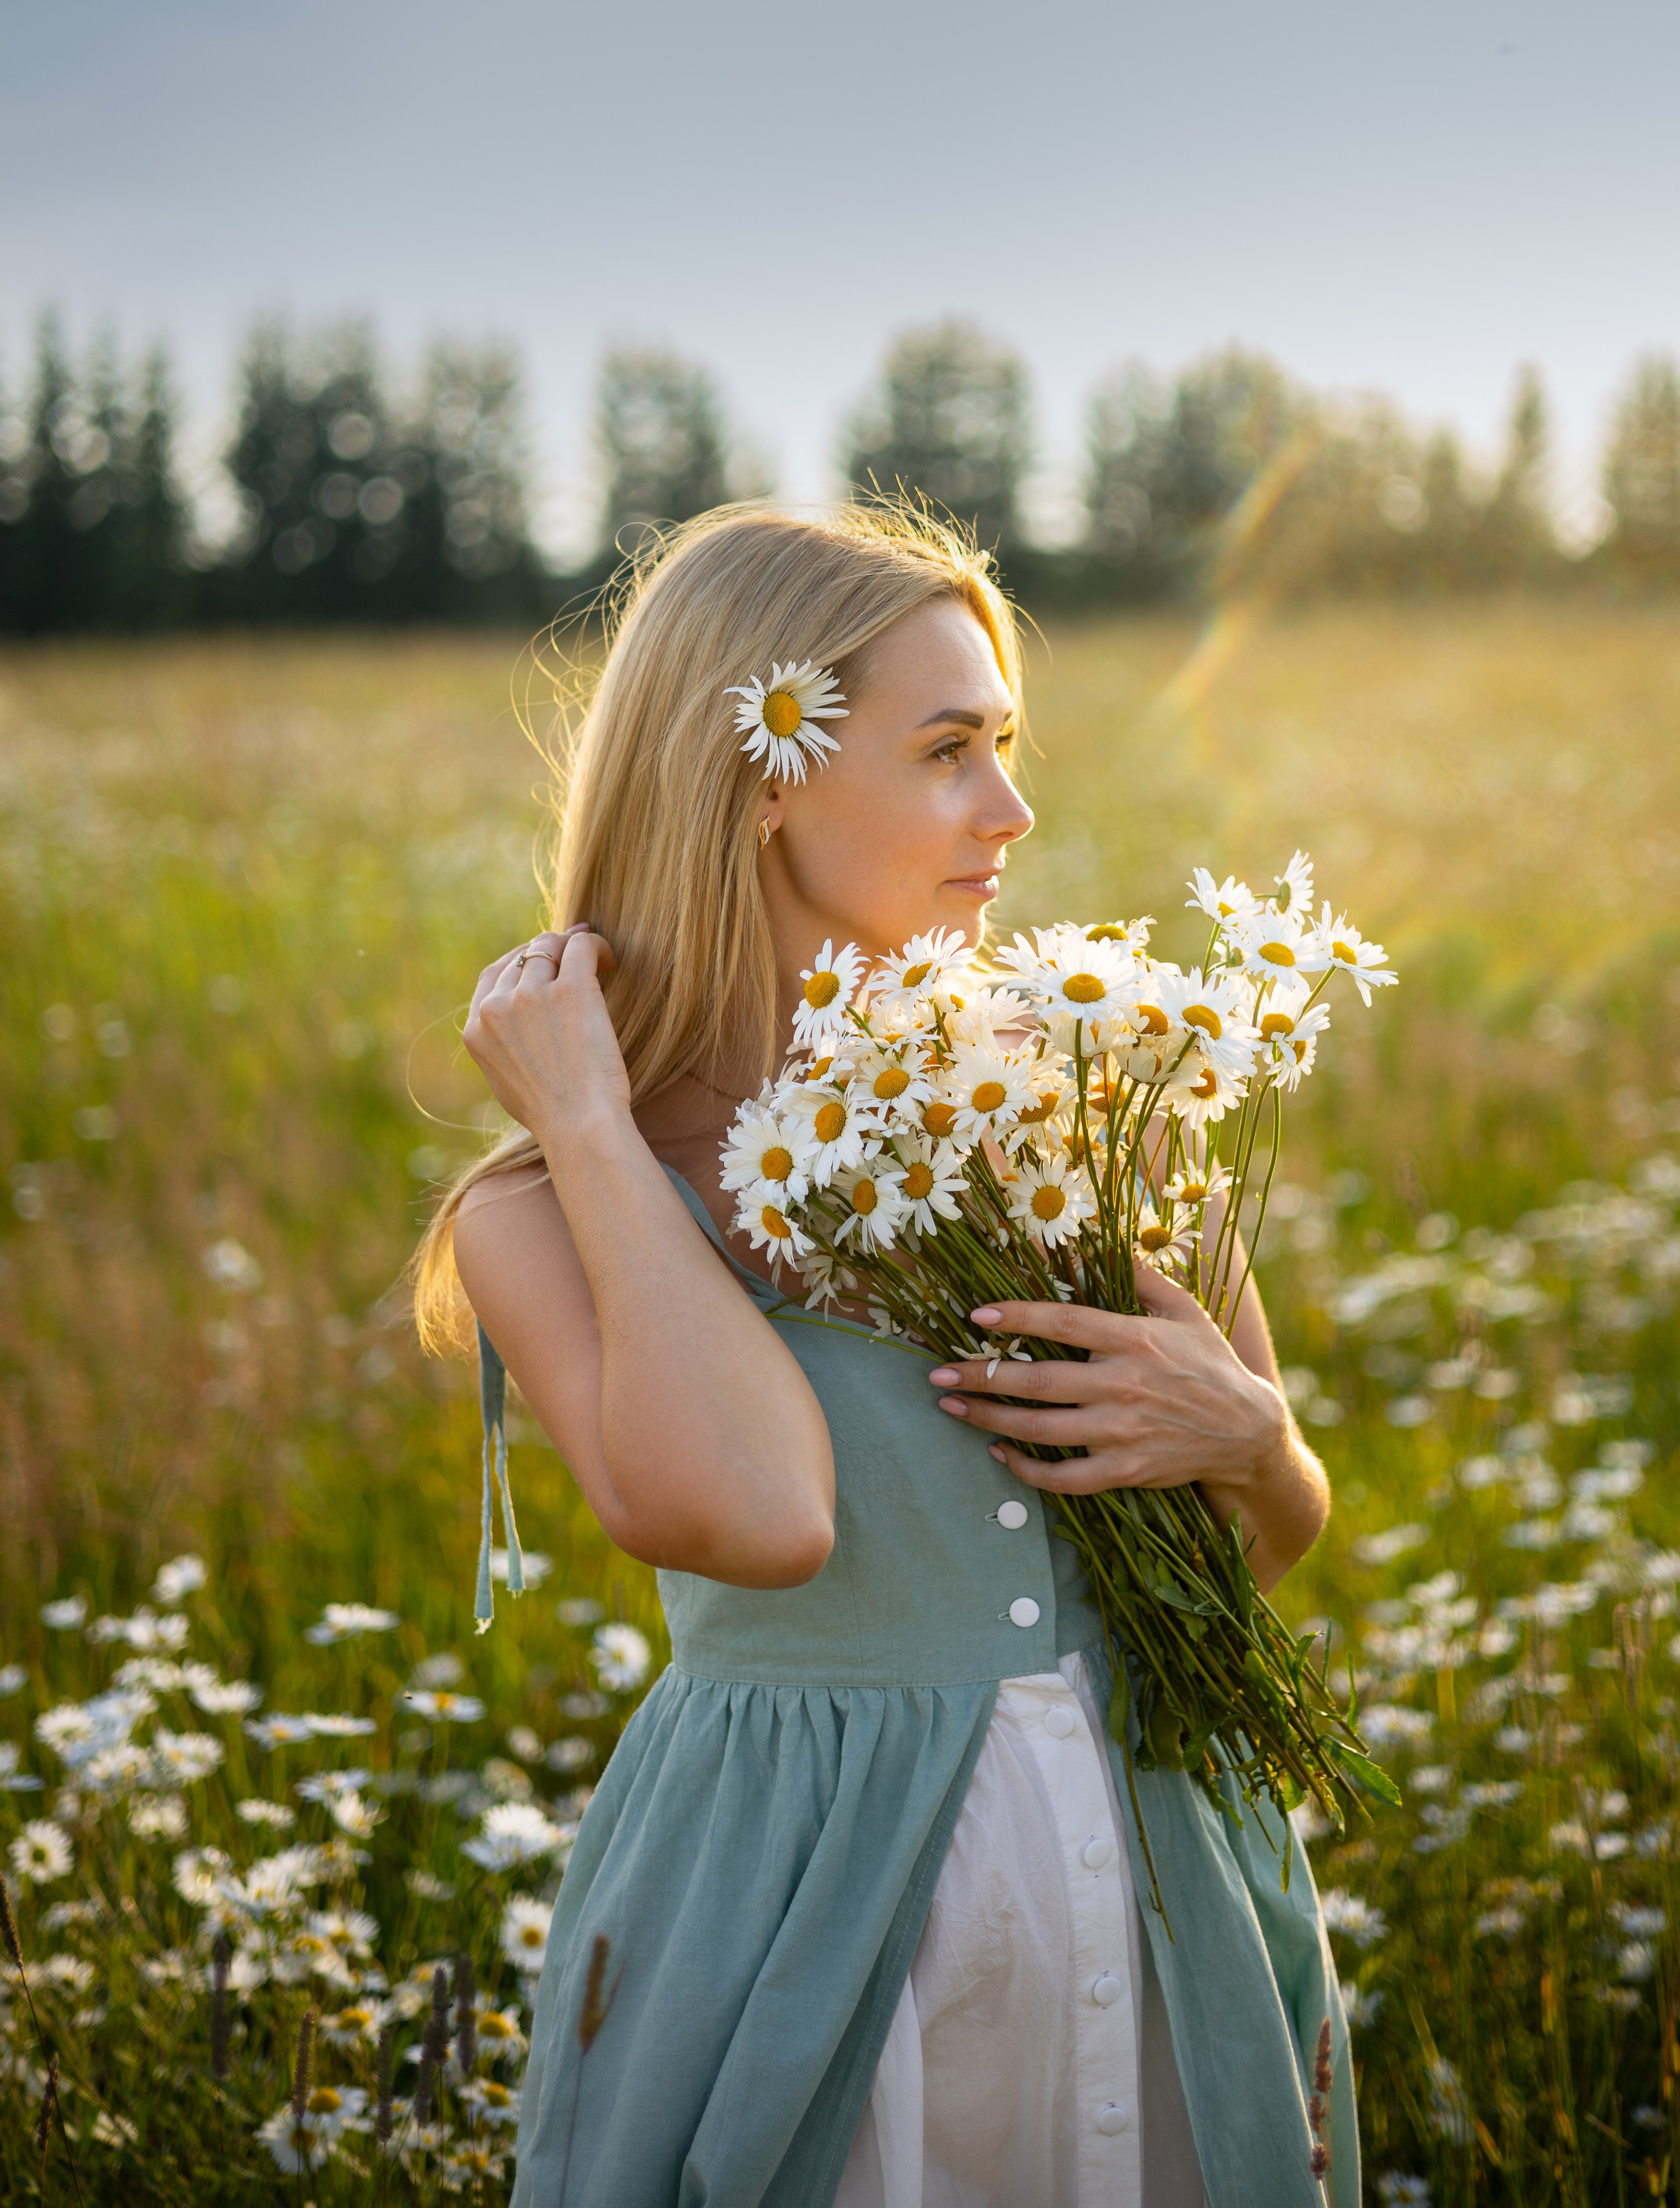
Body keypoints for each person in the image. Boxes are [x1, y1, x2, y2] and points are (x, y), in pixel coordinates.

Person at [414, 503, 1356, 2208]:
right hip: (806, 1912)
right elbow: (765, 1517)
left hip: (1149, 1878)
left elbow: (1258, 1552)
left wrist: (1249, 1441)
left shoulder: (1089, 1089)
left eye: (1001, 747)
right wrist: (599, 1128)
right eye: (945, 753)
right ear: (762, 774)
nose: (1009, 813)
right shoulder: (547, 1212)